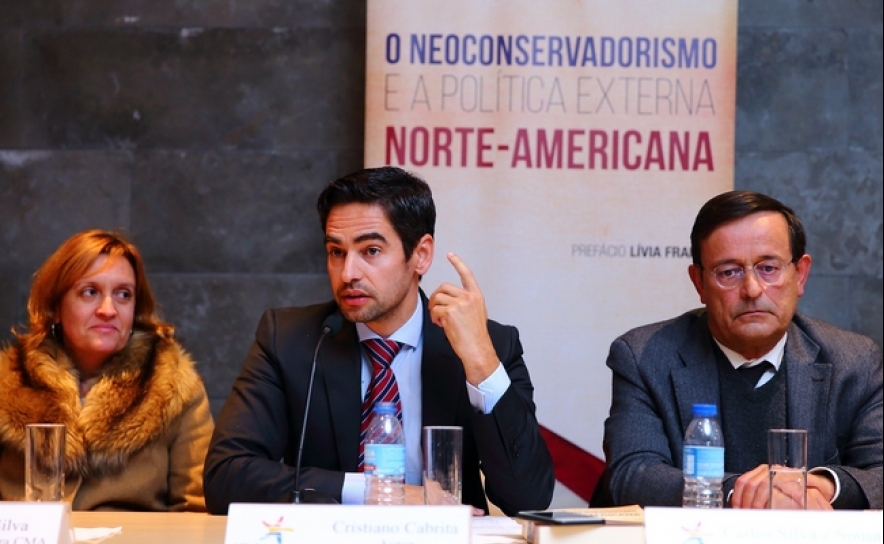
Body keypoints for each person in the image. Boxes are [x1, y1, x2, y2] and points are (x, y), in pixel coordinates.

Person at [204, 166, 554, 515]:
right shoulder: (290, 339)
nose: (348, 274)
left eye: (371, 251)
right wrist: (375, 492)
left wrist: (480, 361)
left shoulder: (490, 345)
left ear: (421, 255)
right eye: (336, 252)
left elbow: (528, 498)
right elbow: (225, 476)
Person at [597, 190, 882, 510]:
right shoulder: (645, 357)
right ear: (699, 283)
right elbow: (634, 475)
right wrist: (743, 493)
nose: (751, 289)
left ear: (800, 274)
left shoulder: (854, 361)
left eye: (768, 268)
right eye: (728, 272)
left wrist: (826, 485)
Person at [0, 229, 214, 511]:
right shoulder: (7, 381)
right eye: (90, 292)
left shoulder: (177, 387)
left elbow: (197, 511)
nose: (108, 309)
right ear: (56, 307)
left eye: (123, 295)